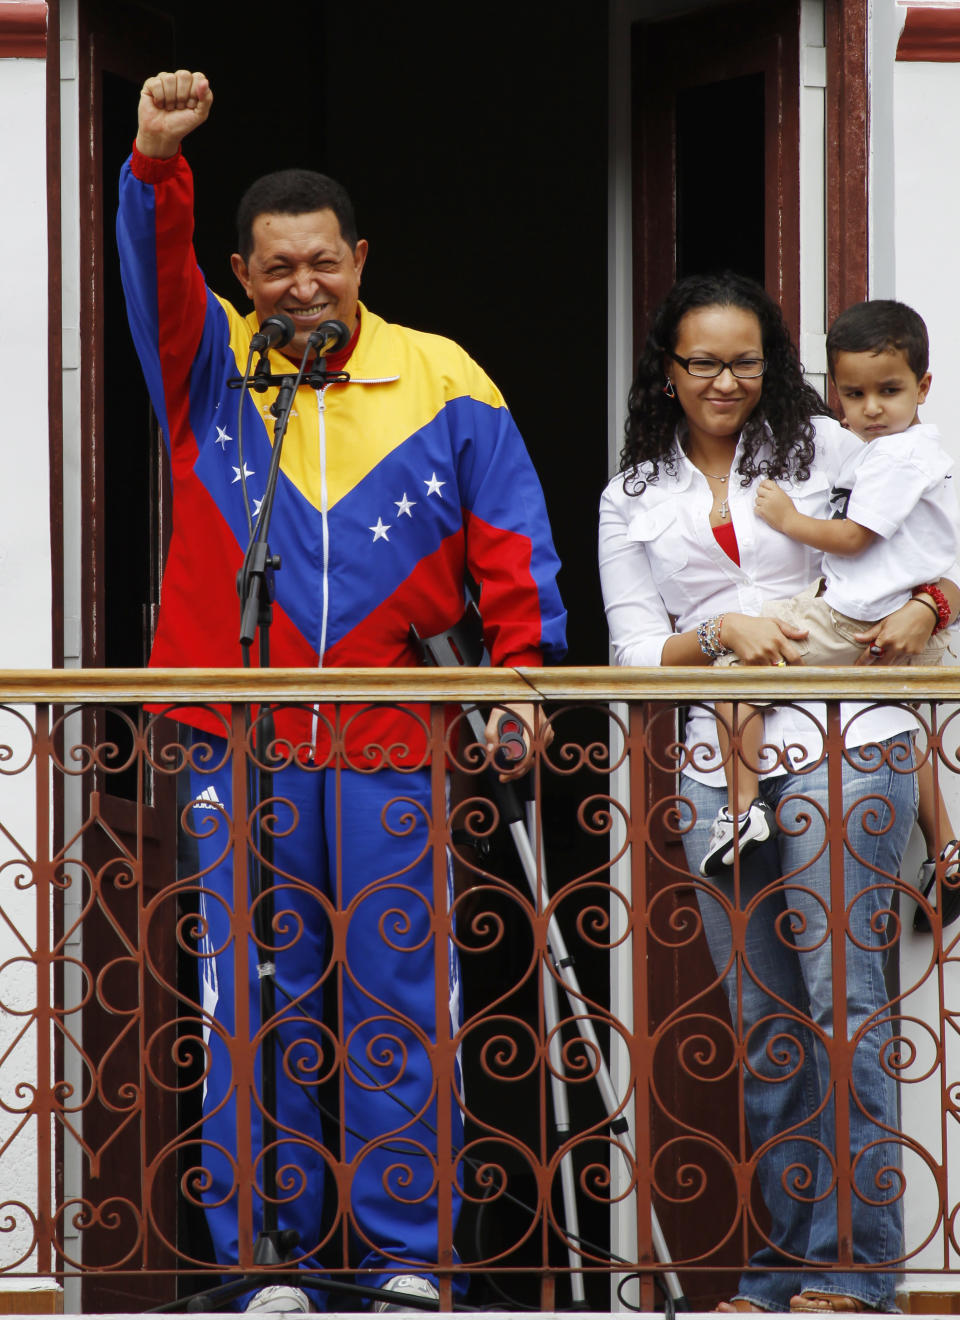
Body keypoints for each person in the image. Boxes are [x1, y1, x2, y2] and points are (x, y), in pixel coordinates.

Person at [118, 70, 566, 1314]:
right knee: (255, 995)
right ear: (243, 274)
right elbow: (154, 272)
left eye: (323, 262)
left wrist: (520, 678)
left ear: (359, 257)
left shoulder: (444, 376)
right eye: (275, 269)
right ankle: (271, 1255)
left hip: (389, 737)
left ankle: (407, 1250)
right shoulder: (210, 365)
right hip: (238, 742)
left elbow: (515, 547)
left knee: (395, 988)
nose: (302, 286)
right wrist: (155, 162)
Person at [598, 270, 959, 1314]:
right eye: (703, 361)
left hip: (849, 737)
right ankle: (780, 1274)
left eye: (746, 360)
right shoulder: (634, 494)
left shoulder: (832, 443)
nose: (726, 380)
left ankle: (857, 1274)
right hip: (719, 767)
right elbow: (631, 654)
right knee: (767, 1029)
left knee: (845, 1007)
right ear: (667, 371)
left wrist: (935, 603)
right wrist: (715, 635)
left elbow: (931, 544)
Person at [697, 300, 960, 934]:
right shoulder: (888, 447)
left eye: (889, 391)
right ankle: (948, 850)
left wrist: (789, 520)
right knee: (895, 713)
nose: (871, 408)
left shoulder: (894, 454)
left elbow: (856, 537)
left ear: (924, 387)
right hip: (891, 619)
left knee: (736, 669)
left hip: (856, 619)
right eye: (854, 394)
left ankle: (739, 812)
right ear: (832, 391)